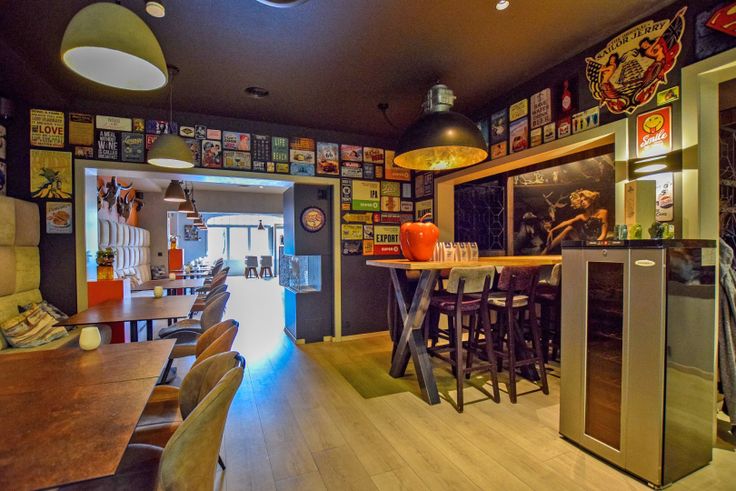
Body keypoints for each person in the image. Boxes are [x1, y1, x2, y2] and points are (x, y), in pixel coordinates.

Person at [543, 189, 608, 253]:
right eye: (581, 201)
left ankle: (546, 251)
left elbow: (603, 234)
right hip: (585, 241)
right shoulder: (582, 216)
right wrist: (552, 230)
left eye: (585, 199)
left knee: (571, 227)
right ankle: (546, 250)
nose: (583, 202)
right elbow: (565, 222)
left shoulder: (603, 212)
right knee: (570, 227)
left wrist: (593, 245)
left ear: (591, 199)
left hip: (597, 242)